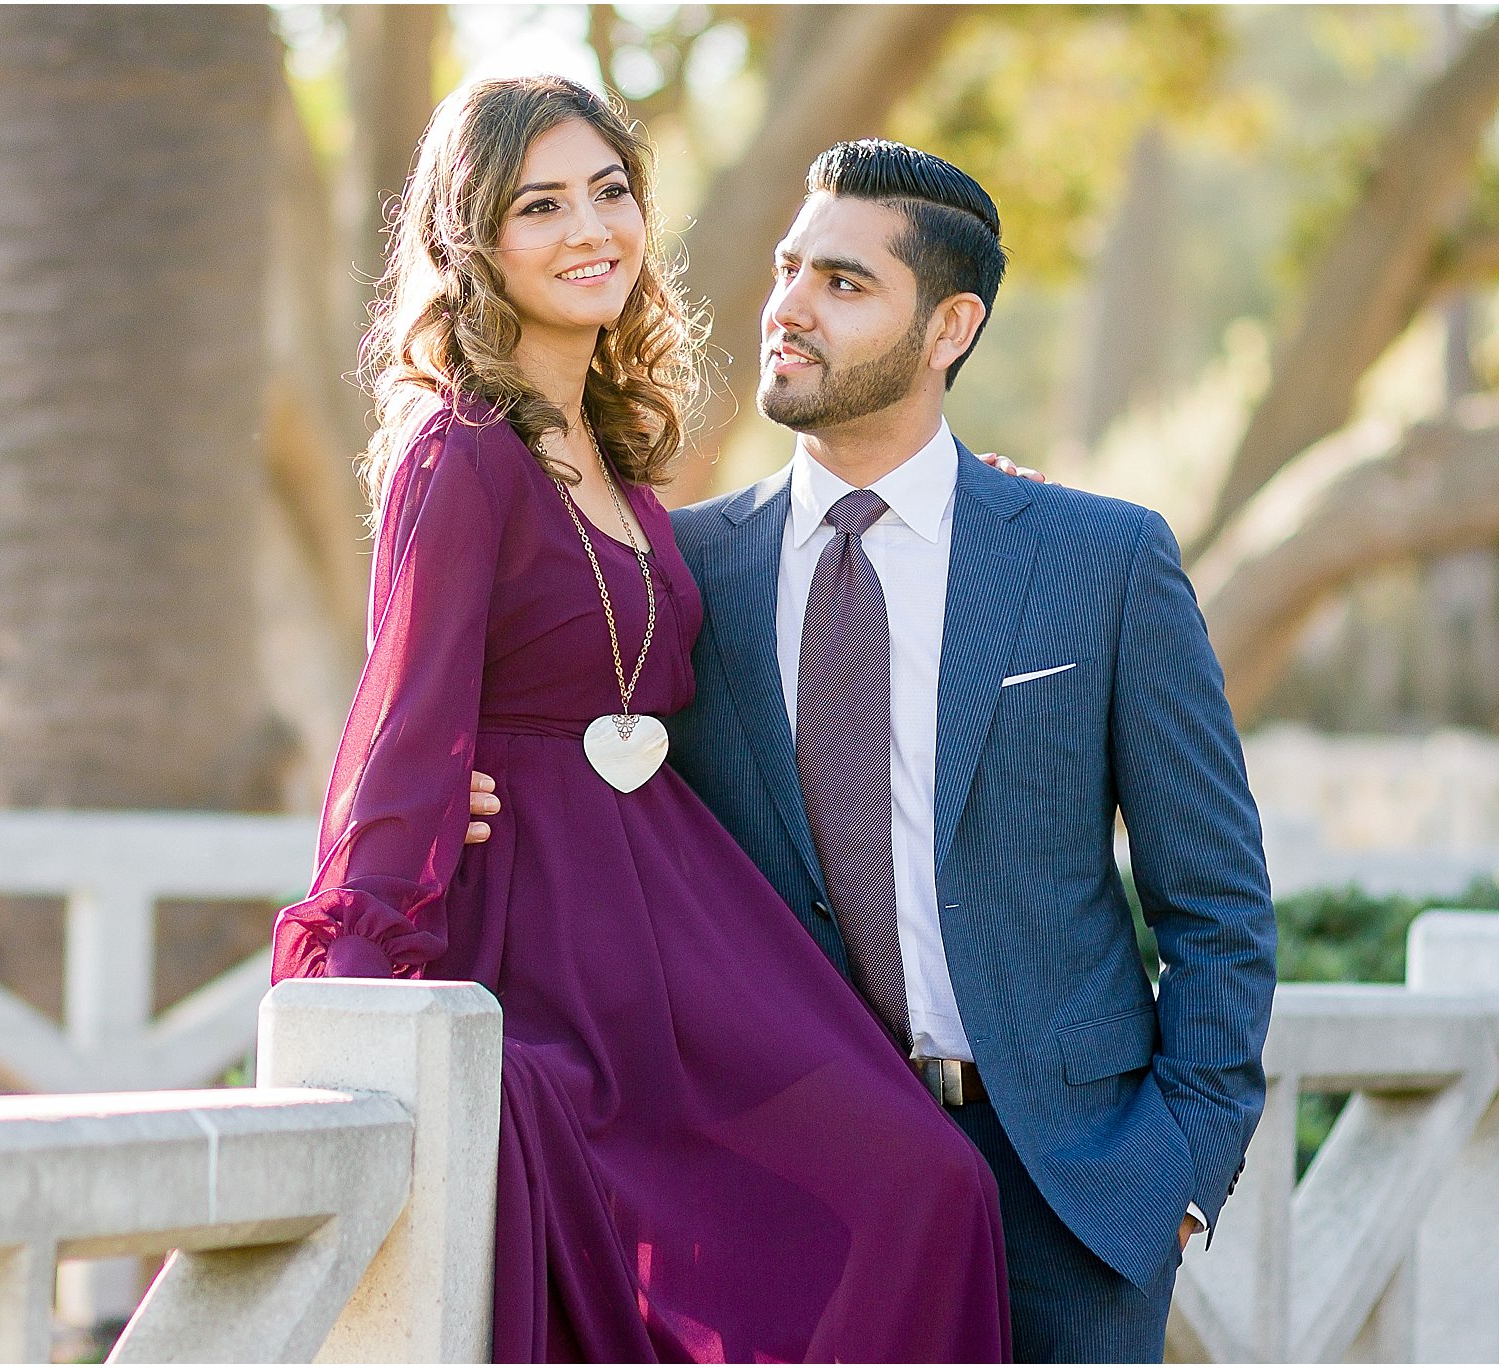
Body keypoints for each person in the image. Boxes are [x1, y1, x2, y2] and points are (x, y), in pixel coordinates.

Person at [476, 139, 1278, 1362]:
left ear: (948, 326)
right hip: (787, 1186)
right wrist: (469, 800)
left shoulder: (1098, 563)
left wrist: (1171, 1176)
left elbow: (1215, 901)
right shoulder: (688, 578)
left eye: (844, 284)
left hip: (1067, 1191)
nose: (787, 307)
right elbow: (579, 784)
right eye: (789, 268)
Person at [272, 79, 1014, 1363]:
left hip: (674, 917)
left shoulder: (612, 447)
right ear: (474, 240)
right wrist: (367, 980)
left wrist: (974, 504)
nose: (588, 229)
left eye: (609, 193)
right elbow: (403, 727)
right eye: (539, 205)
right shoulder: (459, 453)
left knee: (921, 1183)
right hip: (544, 931)